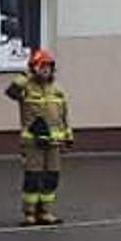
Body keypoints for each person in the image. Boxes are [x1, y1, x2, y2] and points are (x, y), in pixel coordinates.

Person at [6, 48, 72, 226]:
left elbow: (64, 116)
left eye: (48, 66)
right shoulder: (26, 88)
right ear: (34, 67)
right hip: (33, 142)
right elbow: (11, 91)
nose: (45, 70)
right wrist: (27, 74)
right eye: (42, 66)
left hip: (54, 142)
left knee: (52, 178)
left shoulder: (57, 90)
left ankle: (46, 212)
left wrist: (68, 136)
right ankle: (30, 213)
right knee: (33, 178)